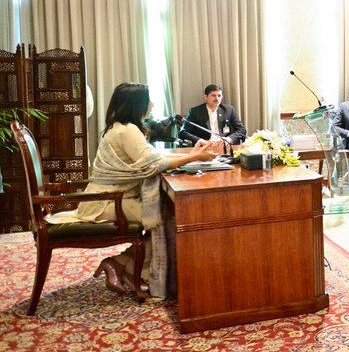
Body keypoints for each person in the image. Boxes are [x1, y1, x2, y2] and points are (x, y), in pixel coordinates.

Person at [46, 83, 220, 299]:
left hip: (109, 199)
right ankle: (128, 268)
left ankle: (121, 266)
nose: (152, 105)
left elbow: (152, 158)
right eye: (148, 101)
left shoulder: (121, 127)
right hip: (108, 203)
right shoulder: (127, 131)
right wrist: (194, 158)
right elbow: (153, 164)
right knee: (170, 221)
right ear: (137, 104)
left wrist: (191, 154)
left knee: (169, 217)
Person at [178, 84, 247, 146]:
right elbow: (183, 132)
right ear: (206, 97)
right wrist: (201, 141)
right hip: (205, 146)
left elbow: (242, 130)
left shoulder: (229, 110)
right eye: (213, 95)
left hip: (225, 146)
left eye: (219, 96)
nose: (217, 98)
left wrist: (228, 139)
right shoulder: (195, 112)